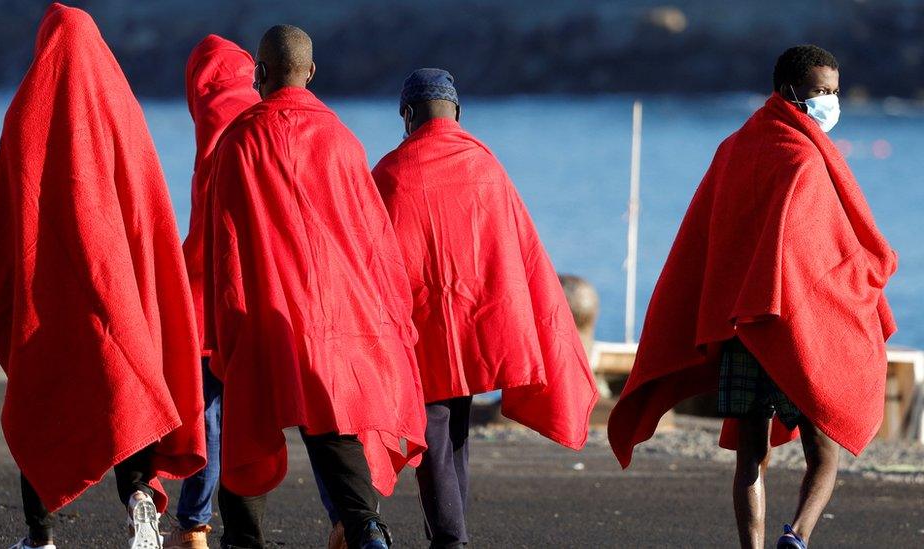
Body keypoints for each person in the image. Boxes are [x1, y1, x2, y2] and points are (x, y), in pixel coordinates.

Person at [607, 45, 897, 549]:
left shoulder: (734, 148)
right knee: (823, 453)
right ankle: (798, 536)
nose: (830, 101)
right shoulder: (806, 157)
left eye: (835, 91)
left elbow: (711, 244)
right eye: (821, 91)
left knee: (749, 457)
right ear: (789, 91)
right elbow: (825, 256)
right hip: (795, 332)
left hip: (742, 330)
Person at [0, 4, 206, 549]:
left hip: (49, 293)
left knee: (43, 399)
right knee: (125, 381)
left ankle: (41, 537)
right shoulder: (121, 108)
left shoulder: (23, 110)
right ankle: (140, 501)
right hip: (117, 290)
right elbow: (146, 209)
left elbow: (10, 215)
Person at [205, 25, 427, 549]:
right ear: (311, 73)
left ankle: (243, 539)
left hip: (266, 310)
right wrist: (392, 314)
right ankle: (366, 529)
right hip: (337, 310)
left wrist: (226, 325)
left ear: (259, 73)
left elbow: (228, 247)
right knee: (333, 424)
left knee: (247, 428)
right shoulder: (342, 140)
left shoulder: (238, 140)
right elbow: (374, 238)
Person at [372, 68, 599, 549]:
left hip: (419, 329)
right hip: (478, 323)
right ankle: (450, 535)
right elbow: (523, 255)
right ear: (456, 111)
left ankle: (451, 538)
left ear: (407, 115)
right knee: (454, 427)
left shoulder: (390, 173)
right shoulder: (486, 167)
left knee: (435, 428)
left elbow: (368, 259)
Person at [163, 34, 259, 549]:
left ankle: (196, 523)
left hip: (213, 292)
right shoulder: (260, 112)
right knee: (310, 418)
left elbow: (209, 224)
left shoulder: (212, 124)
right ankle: (348, 516)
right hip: (267, 290)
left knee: (211, 410)